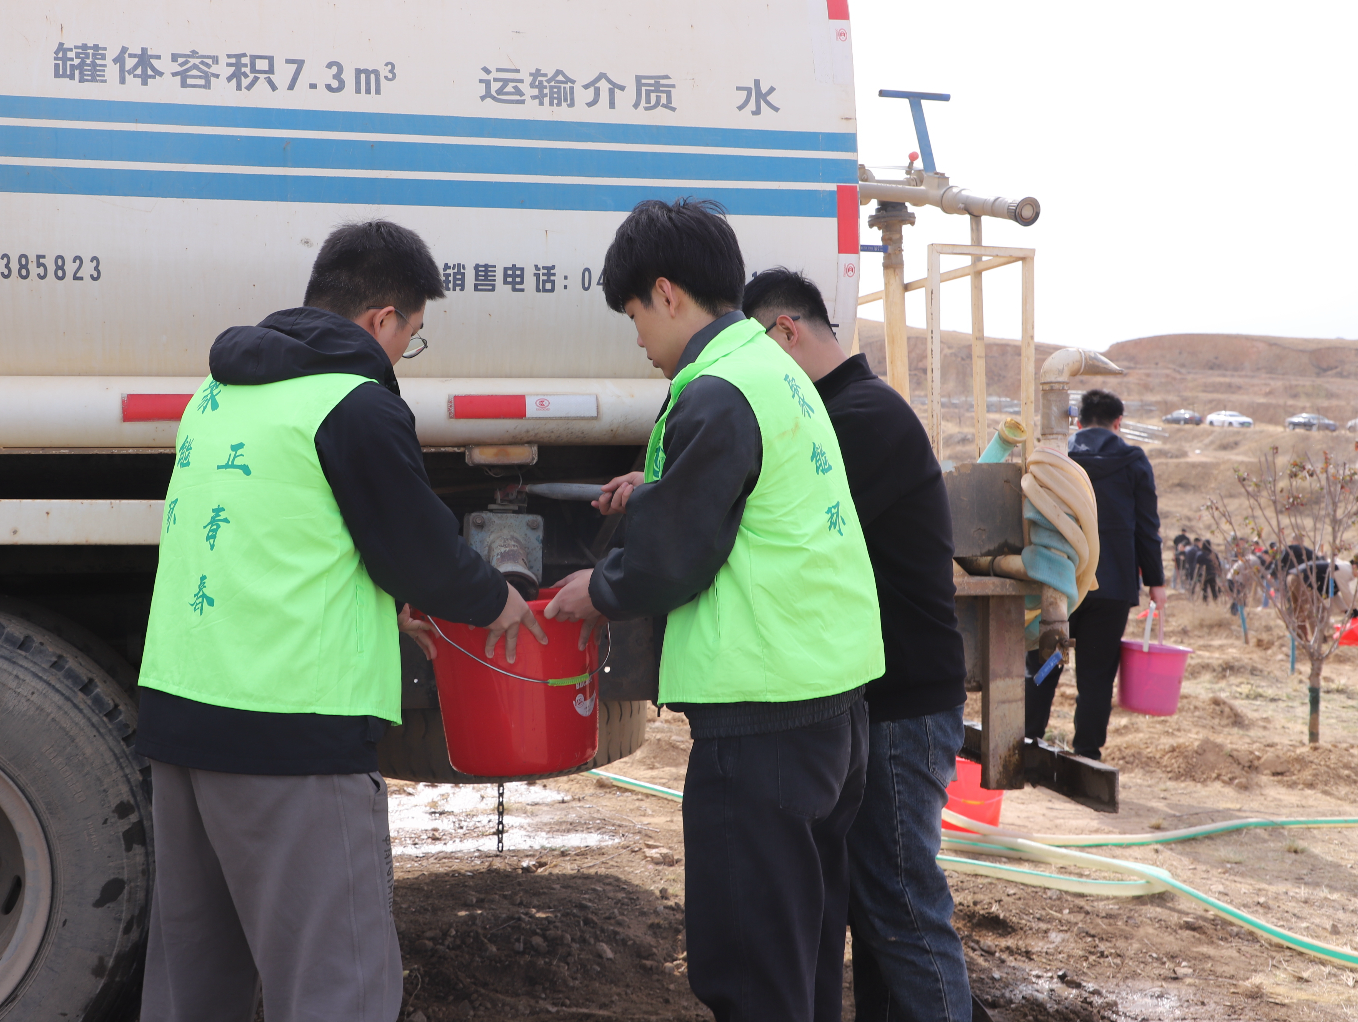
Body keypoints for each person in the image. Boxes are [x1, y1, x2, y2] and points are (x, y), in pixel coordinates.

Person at [135, 220, 545, 1022]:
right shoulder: (354, 403)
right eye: (411, 336)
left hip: (182, 721)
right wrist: (497, 600)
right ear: (382, 318)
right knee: (336, 986)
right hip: (291, 735)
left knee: (196, 987)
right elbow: (417, 548)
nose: (403, 355)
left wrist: (379, 614)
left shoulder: (217, 392)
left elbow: (276, 542)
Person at [545, 200, 884, 1021]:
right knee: (801, 955)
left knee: (749, 971)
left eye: (634, 314)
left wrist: (601, 590)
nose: (637, 338)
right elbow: (750, 501)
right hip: (830, 706)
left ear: (665, 293)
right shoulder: (770, 369)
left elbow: (677, 555)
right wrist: (660, 490)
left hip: (763, 718)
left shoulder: (718, 389)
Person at [742, 269, 971, 1022]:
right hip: (885, 701)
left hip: (903, 708)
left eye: (755, 355)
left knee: (900, 906)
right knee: (878, 911)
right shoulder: (847, 412)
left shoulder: (858, 419)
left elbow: (767, 514)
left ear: (785, 332)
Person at [1026, 389, 1166, 761]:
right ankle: (1087, 753)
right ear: (1118, 423)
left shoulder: (1057, 457)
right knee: (1096, 673)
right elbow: (1147, 527)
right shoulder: (1134, 461)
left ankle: (1027, 741)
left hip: (1059, 582)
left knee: (1046, 662)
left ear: (1078, 422)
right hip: (1112, 589)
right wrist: (1156, 583)